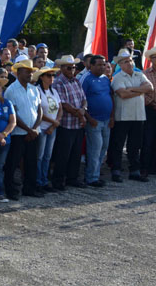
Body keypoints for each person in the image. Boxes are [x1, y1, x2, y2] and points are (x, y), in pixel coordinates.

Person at [108, 49, 153, 182]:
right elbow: (122, 94)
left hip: (138, 115)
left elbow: (150, 88)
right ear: (120, 64)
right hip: (122, 116)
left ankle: (134, 170)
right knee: (118, 144)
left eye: (131, 61)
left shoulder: (139, 75)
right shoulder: (117, 78)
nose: (130, 63)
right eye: (126, 61)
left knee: (135, 145)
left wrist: (132, 89)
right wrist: (140, 91)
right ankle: (116, 170)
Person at [3, 59, 43, 199]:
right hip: (18, 133)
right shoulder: (11, 90)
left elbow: (39, 110)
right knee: (13, 163)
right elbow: (12, 113)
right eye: (27, 71)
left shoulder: (34, 89)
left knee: (32, 161)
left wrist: (35, 128)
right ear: (19, 72)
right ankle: (11, 190)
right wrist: (28, 129)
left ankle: (30, 188)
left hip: (33, 132)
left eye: (31, 72)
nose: (30, 74)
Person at [50, 55, 88, 190]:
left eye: (74, 67)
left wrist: (83, 111)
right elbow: (64, 105)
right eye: (69, 67)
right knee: (63, 154)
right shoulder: (58, 83)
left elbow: (84, 99)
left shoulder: (76, 81)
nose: (72, 70)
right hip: (66, 124)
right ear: (62, 68)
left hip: (78, 123)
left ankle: (72, 178)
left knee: (76, 153)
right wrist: (80, 115)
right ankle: (58, 180)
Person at [81, 56, 113, 187]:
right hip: (94, 120)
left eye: (103, 65)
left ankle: (96, 174)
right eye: (99, 65)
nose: (102, 67)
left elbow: (110, 97)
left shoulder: (105, 79)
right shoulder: (86, 79)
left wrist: (112, 117)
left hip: (106, 120)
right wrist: (89, 118)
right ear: (91, 66)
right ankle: (91, 178)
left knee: (103, 148)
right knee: (95, 149)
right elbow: (81, 101)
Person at [33, 67, 62, 193]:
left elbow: (60, 108)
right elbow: (38, 111)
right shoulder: (37, 91)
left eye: (53, 75)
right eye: (48, 75)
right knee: (39, 156)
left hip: (52, 128)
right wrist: (53, 122)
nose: (51, 78)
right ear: (41, 77)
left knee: (47, 156)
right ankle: (38, 181)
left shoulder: (54, 91)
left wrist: (55, 123)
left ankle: (44, 181)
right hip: (42, 127)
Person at [142, 47, 156, 177]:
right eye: (154, 57)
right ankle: (144, 167)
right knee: (148, 138)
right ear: (150, 59)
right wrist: (151, 103)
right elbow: (142, 93)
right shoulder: (145, 74)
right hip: (149, 109)